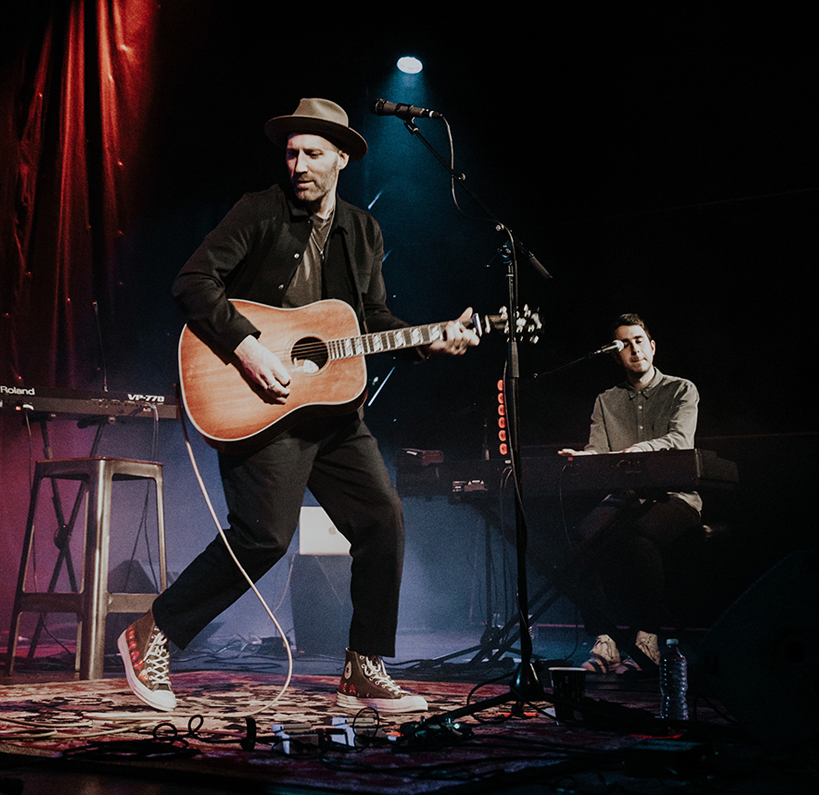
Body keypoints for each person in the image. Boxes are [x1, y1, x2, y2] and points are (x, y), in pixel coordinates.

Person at [119, 98, 479, 713]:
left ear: (342, 158)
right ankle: (153, 629)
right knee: (264, 537)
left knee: (381, 519)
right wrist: (248, 347)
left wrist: (429, 339)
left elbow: (371, 321)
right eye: (292, 153)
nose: (300, 165)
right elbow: (193, 281)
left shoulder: (363, 231)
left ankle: (362, 668)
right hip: (260, 399)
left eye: (313, 154)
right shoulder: (260, 211)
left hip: (333, 411)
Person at [558, 313, 701, 674]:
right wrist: (582, 458)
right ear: (615, 355)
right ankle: (605, 642)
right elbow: (599, 450)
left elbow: (680, 441)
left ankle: (647, 639)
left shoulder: (681, 389)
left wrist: (642, 449)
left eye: (639, 340)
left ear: (652, 347)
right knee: (580, 540)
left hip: (674, 498)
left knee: (638, 539)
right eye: (624, 344)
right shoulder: (606, 401)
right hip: (627, 498)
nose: (633, 349)